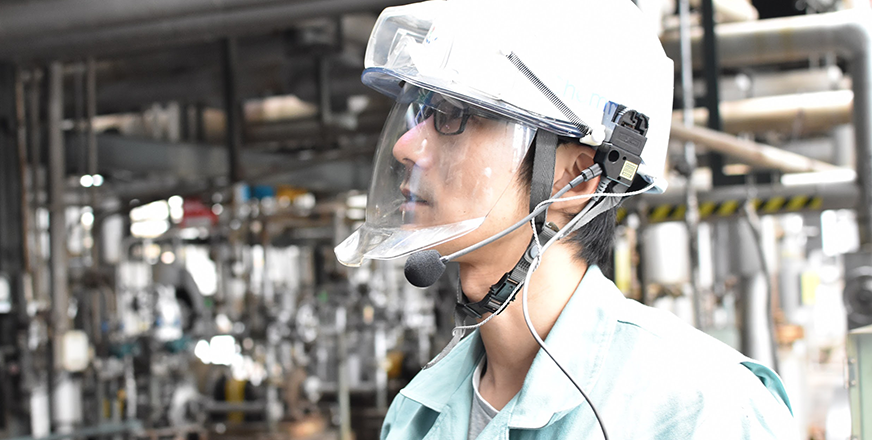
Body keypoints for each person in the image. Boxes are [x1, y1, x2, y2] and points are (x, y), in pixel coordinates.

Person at [334, 0, 797, 439]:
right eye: (421, 113)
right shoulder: (415, 413)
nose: (406, 146)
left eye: (454, 117)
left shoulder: (702, 411)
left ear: (576, 181)